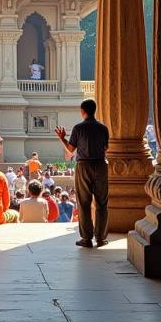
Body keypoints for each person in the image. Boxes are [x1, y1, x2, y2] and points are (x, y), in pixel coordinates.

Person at [55, 98, 110, 248]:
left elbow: (71, 150)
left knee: (84, 203)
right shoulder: (103, 128)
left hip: (84, 165)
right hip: (100, 164)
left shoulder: (78, 128)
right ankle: (100, 238)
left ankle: (86, 238)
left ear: (83, 112)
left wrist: (62, 138)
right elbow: (105, 148)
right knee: (102, 203)